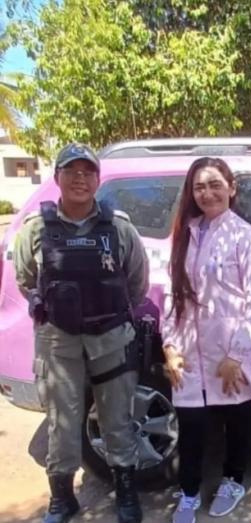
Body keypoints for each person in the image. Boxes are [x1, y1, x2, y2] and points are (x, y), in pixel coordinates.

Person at [14, 143, 149, 523]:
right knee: (62, 421)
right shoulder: (36, 229)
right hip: (59, 340)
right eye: (70, 171)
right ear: (56, 178)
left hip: (111, 337)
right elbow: (26, 280)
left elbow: (136, 281)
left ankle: (125, 493)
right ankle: (62, 498)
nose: (79, 178)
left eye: (87, 171)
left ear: (97, 179)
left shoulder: (118, 227)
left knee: (118, 418)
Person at [161, 157, 251, 523]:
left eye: (214, 184)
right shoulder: (185, 235)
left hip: (231, 355)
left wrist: (236, 355)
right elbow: (172, 297)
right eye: (199, 187)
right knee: (191, 429)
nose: (207, 193)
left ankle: (233, 481)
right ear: (191, 193)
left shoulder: (249, 238)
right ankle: (189, 493)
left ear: (231, 187)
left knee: (235, 425)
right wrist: (170, 347)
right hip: (190, 352)